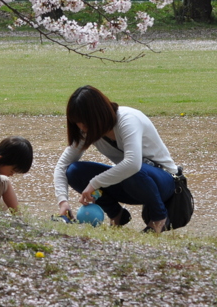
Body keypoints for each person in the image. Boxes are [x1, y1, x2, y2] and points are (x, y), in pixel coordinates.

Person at [54, 86, 178, 234]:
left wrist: (94, 183)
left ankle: (159, 219)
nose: (81, 127)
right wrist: (63, 202)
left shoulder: (128, 119)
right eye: (77, 123)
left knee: (133, 170)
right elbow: (63, 165)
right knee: (74, 171)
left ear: (97, 115)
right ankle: (117, 215)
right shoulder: (88, 131)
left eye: (84, 122)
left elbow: (133, 164)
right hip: (132, 183)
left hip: (163, 182)